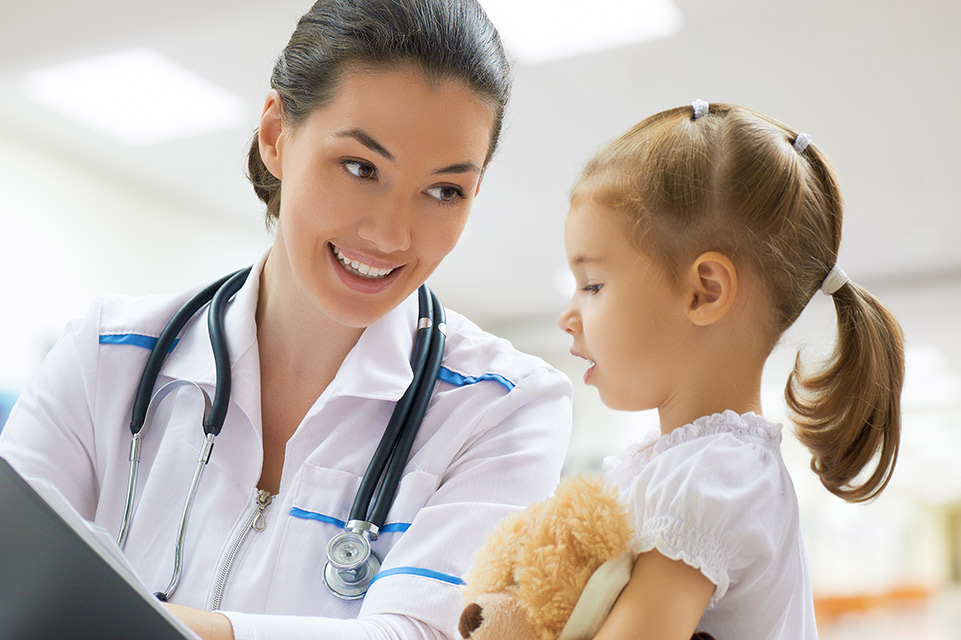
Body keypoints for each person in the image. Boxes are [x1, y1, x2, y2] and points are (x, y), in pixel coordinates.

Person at [0, 1, 573, 638]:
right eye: (360, 167)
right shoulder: (109, 354)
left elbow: (423, 634)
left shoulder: (505, 408)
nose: (390, 233)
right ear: (276, 135)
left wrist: (100, 617)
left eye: (445, 191)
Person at [557, 100, 904, 639]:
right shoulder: (704, 466)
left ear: (705, 291)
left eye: (594, 285)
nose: (569, 316)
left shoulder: (714, 475)